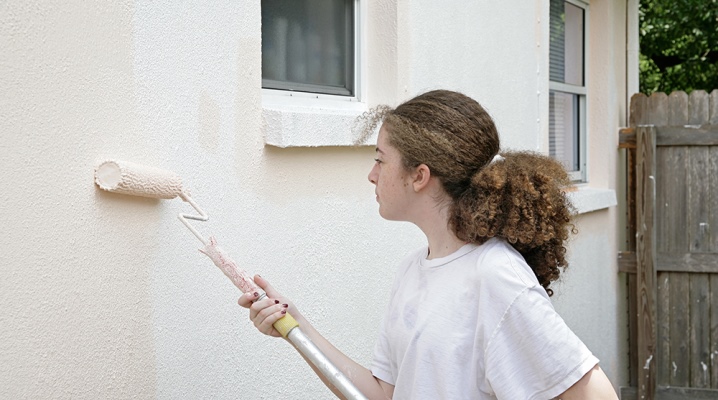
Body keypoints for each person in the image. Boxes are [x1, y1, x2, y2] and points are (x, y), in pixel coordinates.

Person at [238, 90, 618, 399]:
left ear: (420, 176)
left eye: (380, 160)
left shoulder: (495, 275)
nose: (371, 175)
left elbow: (595, 395)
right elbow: (383, 392)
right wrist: (295, 326)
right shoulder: (412, 271)